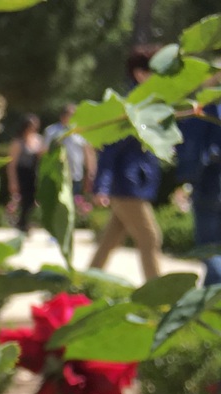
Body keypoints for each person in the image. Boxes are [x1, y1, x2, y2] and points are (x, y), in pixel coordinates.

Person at [90, 46, 163, 282]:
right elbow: (110, 150)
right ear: (140, 74)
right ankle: (158, 297)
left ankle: (81, 287)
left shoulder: (150, 104)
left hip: (134, 184)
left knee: (109, 242)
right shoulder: (130, 107)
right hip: (126, 185)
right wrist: (101, 186)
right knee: (151, 238)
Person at [176, 99, 221, 287]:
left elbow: (190, 148)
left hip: (209, 188)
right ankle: (210, 307)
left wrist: (185, 182)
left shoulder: (205, 109)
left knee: (209, 250)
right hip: (211, 187)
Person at [44, 103, 95, 196]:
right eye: (71, 115)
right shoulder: (51, 131)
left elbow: (88, 153)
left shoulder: (80, 132)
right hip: (56, 175)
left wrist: (90, 173)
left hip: (75, 174)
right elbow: (45, 152)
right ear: (63, 115)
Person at [7, 114, 45, 232]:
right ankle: (22, 224)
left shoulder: (38, 140)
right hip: (22, 174)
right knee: (24, 200)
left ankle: (24, 222)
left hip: (34, 174)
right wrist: (12, 181)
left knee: (33, 200)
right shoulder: (18, 142)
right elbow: (11, 164)